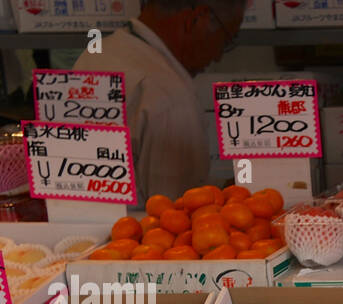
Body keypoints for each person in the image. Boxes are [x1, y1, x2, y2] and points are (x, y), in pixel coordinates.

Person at [73, 0, 245, 199]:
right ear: (197, 19)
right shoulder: (169, 99)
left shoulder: (97, 54)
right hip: (136, 228)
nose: (217, 57)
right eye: (225, 41)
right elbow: (179, 212)